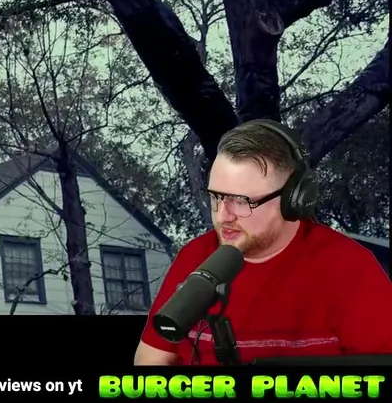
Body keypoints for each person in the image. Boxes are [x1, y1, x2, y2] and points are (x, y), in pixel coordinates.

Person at [135, 119, 392, 364]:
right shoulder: (195, 256)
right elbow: (152, 357)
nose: (222, 216)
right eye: (215, 197)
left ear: (293, 199)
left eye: (241, 201)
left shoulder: (348, 266)